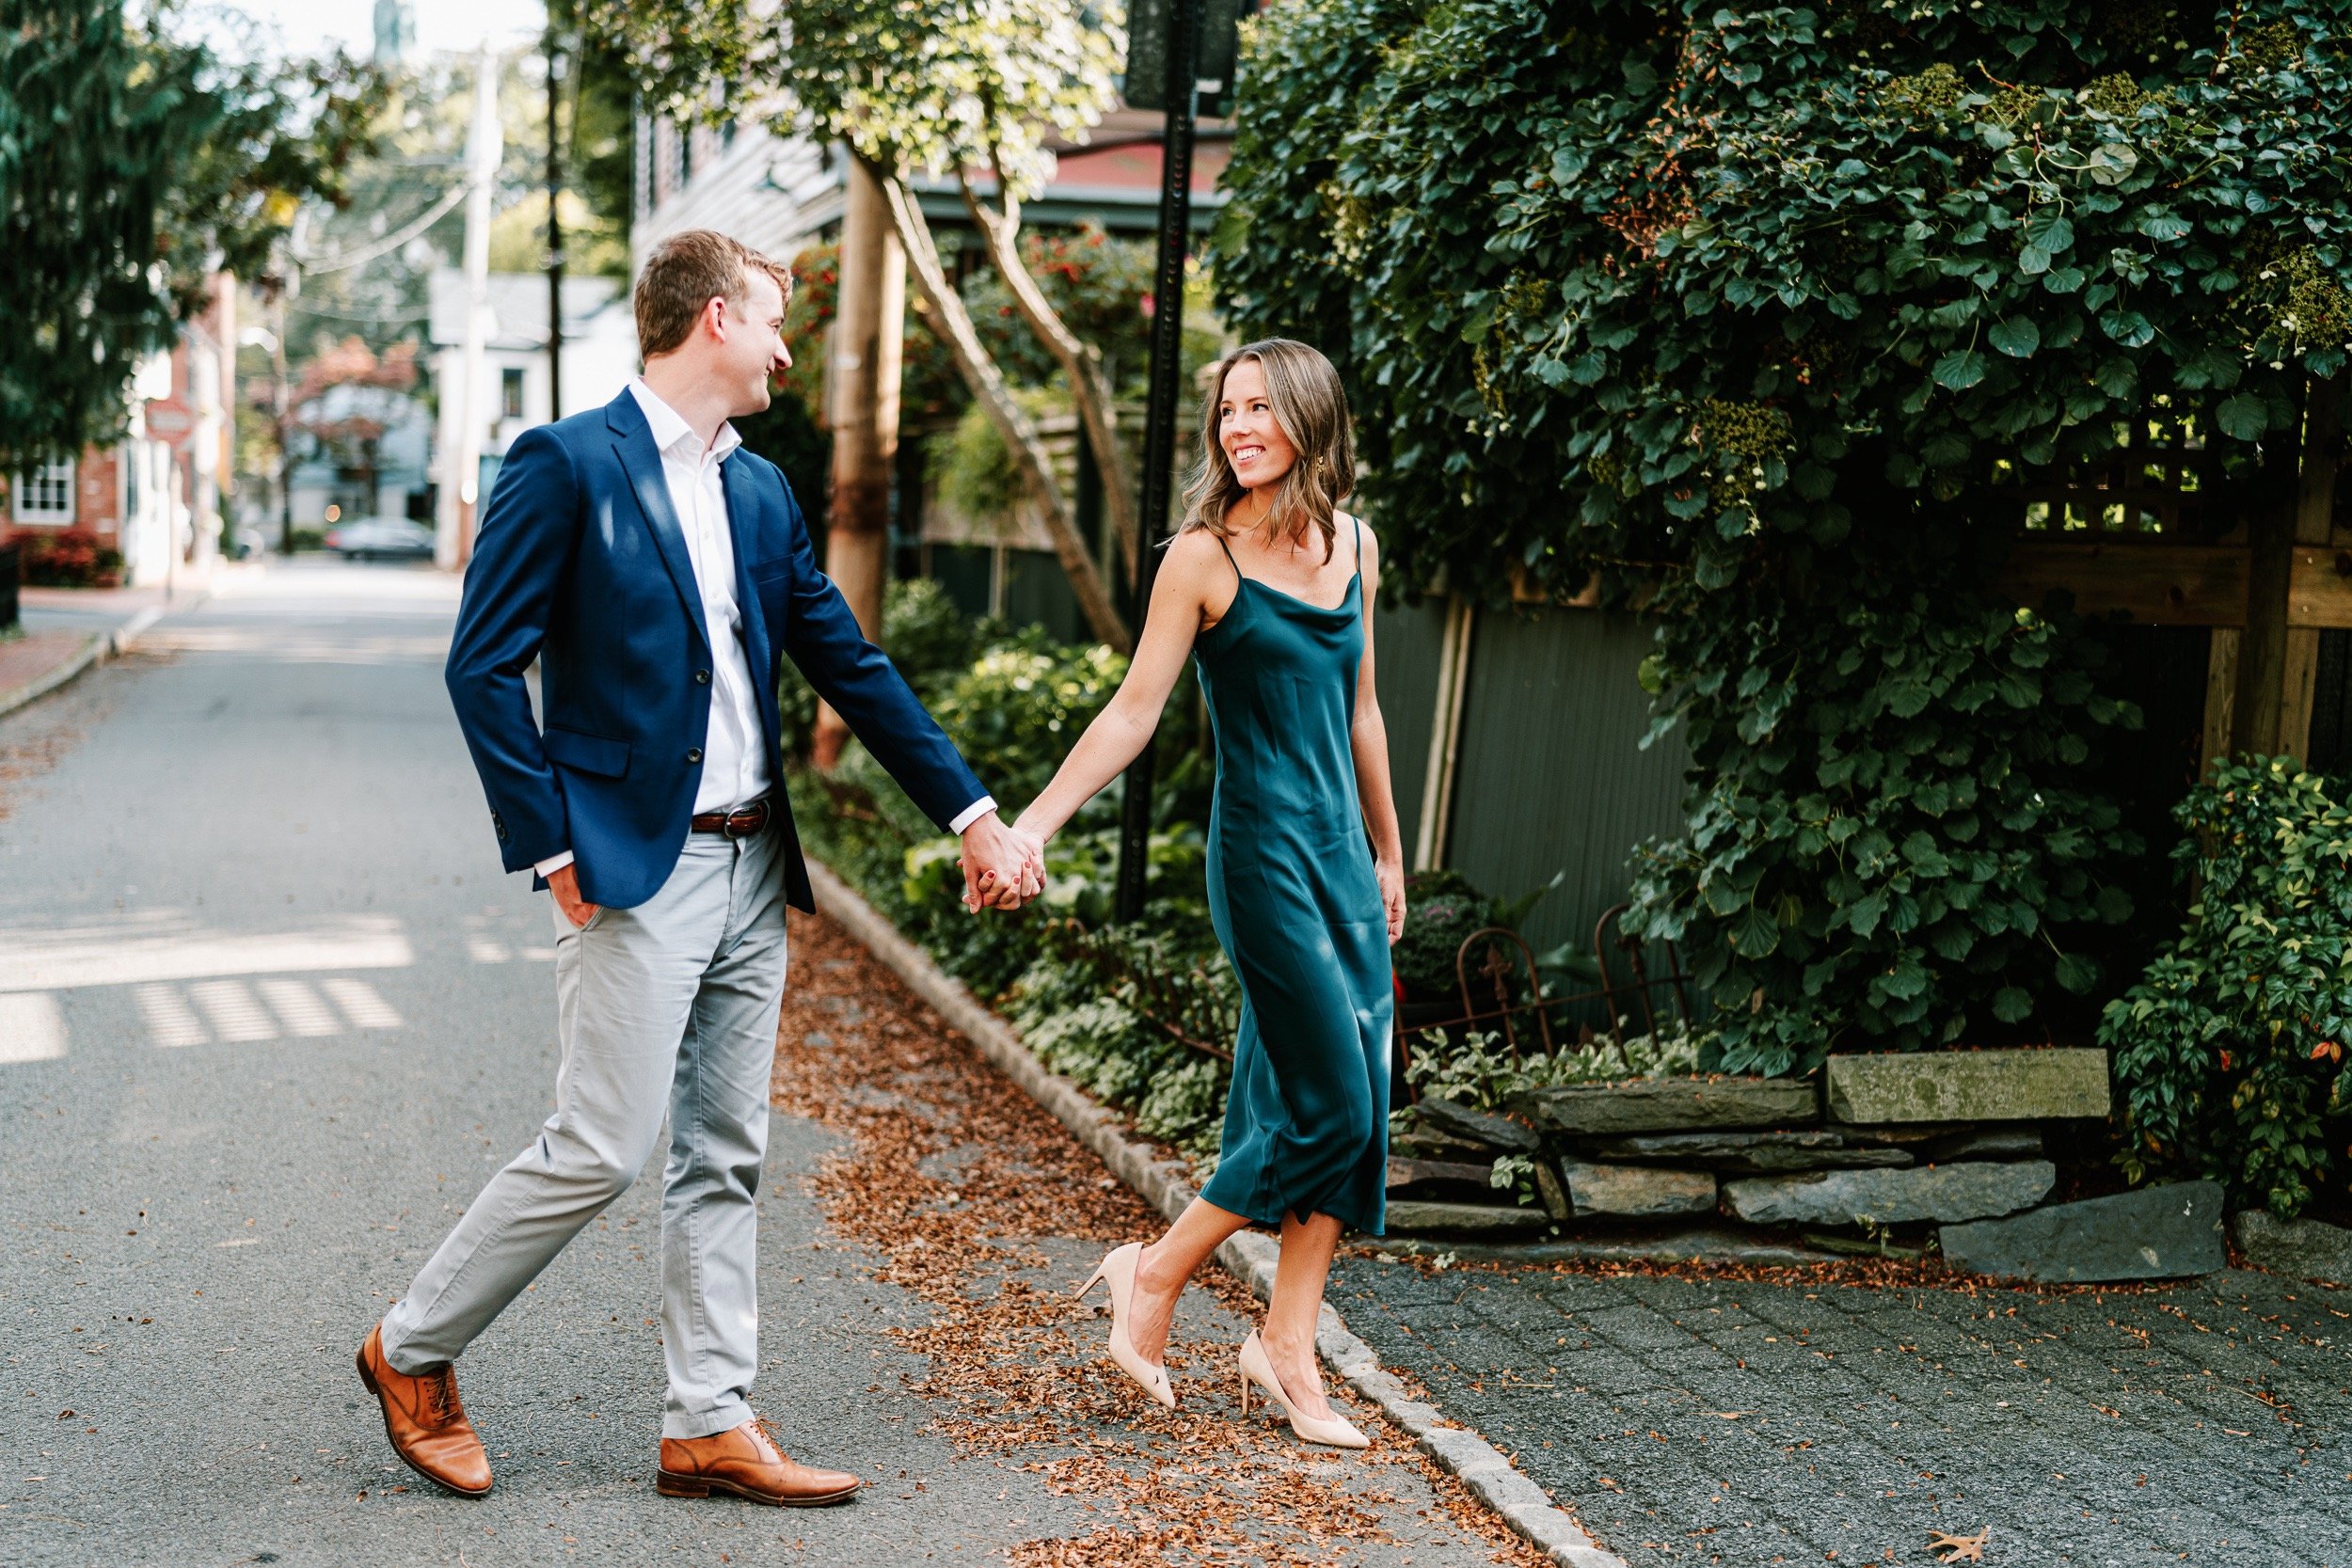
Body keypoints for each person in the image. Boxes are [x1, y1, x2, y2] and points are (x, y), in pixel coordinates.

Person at [355, 230, 1039, 1505]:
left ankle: (708, 1419)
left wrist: (973, 813)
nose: (789, 348)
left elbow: (849, 660)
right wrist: (550, 839)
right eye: (777, 322)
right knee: (602, 1144)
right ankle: (411, 1345)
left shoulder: (763, 490)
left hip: (751, 861)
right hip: (632, 866)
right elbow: (482, 664)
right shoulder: (564, 463)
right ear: (715, 318)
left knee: (725, 1148)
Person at [1006, 339, 1405, 1448]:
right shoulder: (1201, 556)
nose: (1238, 428)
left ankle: (1287, 1345)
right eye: (1227, 410)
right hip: (1263, 858)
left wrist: (1389, 849)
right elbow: (1132, 711)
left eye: (1260, 408)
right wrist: (1032, 823)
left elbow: (1362, 706)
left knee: (1354, 1094)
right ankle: (1156, 1268)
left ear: (1309, 419)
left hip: (1339, 856)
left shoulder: (1355, 546)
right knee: (1332, 1102)